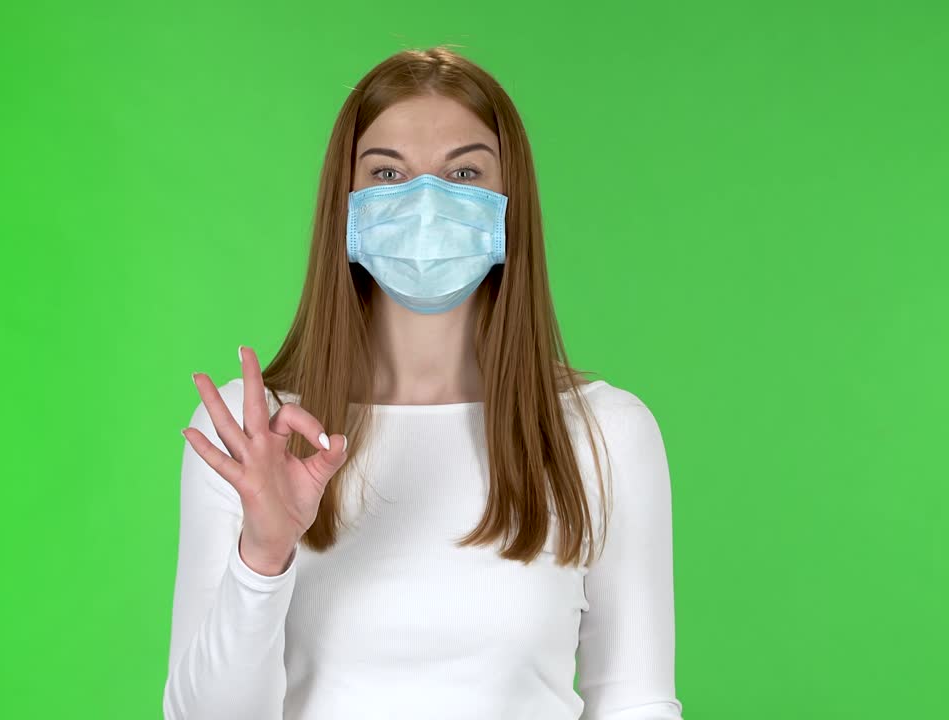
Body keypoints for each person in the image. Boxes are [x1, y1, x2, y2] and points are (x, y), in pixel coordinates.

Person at [163, 46, 684, 720]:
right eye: (388, 173)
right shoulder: (254, 431)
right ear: (345, 206)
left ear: (508, 203)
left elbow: (634, 702)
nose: (428, 203)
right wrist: (262, 554)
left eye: (463, 172)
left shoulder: (605, 433)